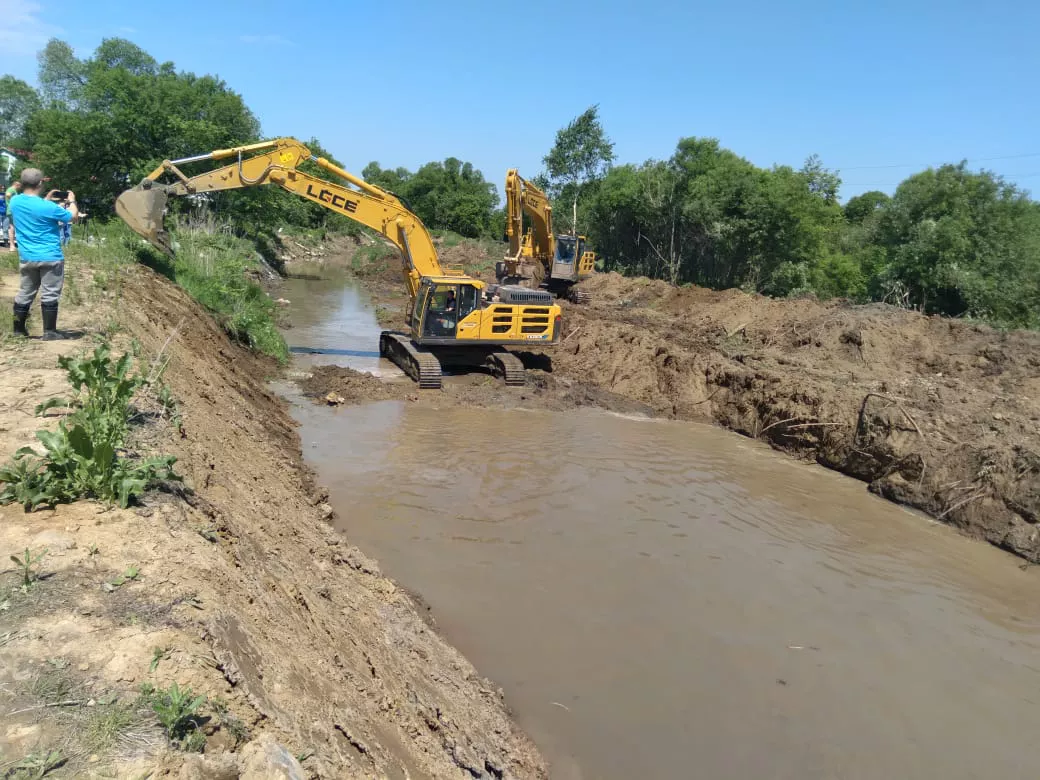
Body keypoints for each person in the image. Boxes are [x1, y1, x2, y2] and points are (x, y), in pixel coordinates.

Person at [10, 169, 78, 339]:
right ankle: (49, 332)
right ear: (40, 183)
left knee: (25, 292)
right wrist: (72, 201)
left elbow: (34, 208)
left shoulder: (15, 202)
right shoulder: (49, 207)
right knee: (50, 293)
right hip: (50, 256)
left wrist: (46, 198)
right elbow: (73, 217)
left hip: (27, 257)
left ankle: (18, 331)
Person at [5, 180, 21, 251]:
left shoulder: (12, 189)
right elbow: (8, 194)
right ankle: (12, 245)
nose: (19, 188)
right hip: (12, 211)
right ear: (17, 185)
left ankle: (12, 246)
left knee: (12, 227)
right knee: (14, 228)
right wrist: (15, 201)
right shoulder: (11, 189)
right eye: (19, 186)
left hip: (11, 211)